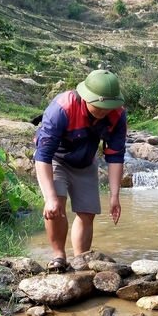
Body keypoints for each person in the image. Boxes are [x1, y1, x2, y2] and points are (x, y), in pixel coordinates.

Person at [34, 70, 127, 272]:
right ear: (86, 97)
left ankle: (80, 261)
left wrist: (114, 195)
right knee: (56, 206)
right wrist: (49, 197)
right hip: (55, 159)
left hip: (86, 163)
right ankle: (59, 255)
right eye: (100, 106)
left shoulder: (118, 114)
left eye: (108, 107)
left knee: (87, 213)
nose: (104, 111)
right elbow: (43, 155)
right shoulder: (62, 108)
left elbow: (115, 155)